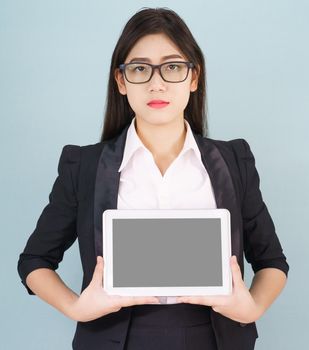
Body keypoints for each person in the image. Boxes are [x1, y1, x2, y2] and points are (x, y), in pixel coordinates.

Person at [17, 7, 289, 350]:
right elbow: (34, 260)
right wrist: (76, 308)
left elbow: (272, 262)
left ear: (193, 78)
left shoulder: (234, 160)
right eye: (140, 68)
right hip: (116, 339)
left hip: (216, 338)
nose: (156, 83)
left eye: (173, 67)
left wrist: (252, 307)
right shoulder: (83, 165)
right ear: (121, 81)